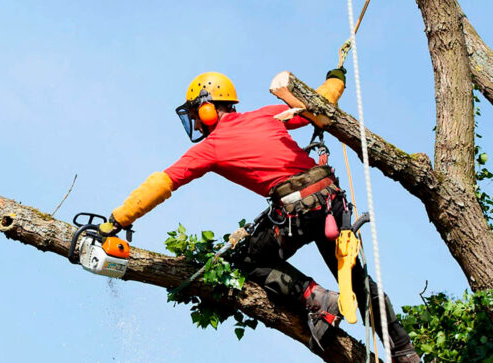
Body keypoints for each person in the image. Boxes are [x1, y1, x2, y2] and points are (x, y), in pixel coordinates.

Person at [101, 71, 419, 362]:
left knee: (249, 260)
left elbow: (163, 182)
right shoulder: (267, 114)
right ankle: (405, 351)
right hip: (331, 201)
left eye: (196, 116)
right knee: (356, 281)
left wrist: (118, 219)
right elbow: (319, 103)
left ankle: (318, 299)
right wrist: (336, 79)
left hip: (298, 208)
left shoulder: (211, 147)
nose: (197, 125)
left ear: (208, 108)